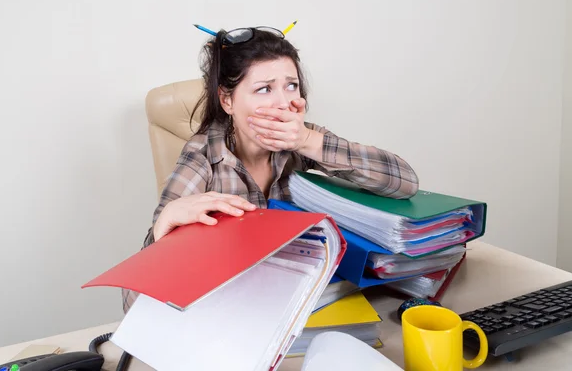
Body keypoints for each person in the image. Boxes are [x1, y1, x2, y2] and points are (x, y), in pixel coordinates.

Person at [121, 26, 419, 313]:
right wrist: (165, 225)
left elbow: (405, 183)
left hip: (305, 300)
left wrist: (309, 142)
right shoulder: (202, 157)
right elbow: (135, 302)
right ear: (227, 101)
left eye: (291, 85)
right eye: (264, 89)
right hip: (235, 313)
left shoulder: (302, 138)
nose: (283, 104)